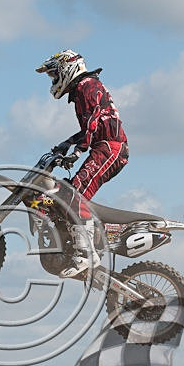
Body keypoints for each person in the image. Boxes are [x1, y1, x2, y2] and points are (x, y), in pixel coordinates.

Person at [36, 49, 129, 277]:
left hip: (110, 148)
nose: (53, 80)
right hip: (104, 147)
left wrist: (78, 150)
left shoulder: (87, 86)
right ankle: (73, 241)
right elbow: (89, 126)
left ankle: (87, 253)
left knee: (74, 195)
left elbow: (93, 121)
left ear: (67, 69)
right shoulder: (82, 89)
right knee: (66, 193)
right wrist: (65, 145)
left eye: (54, 74)